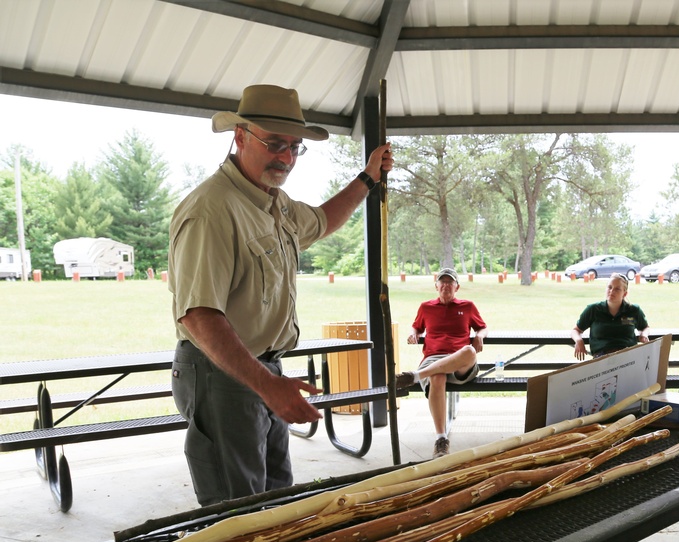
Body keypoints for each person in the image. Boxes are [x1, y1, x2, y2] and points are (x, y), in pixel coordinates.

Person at [168, 84, 393, 506]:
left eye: (294, 147)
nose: (286, 157)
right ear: (239, 137)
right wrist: (267, 386)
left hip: (262, 370)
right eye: (274, 143)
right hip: (222, 375)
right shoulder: (211, 210)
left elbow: (323, 221)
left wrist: (367, 178)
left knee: (274, 500)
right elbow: (198, 316)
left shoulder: (275, 203)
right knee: (238, 514)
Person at [394, 268, 488, 458]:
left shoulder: (467, 306)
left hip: (460, 361)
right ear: (436, 286)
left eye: (450, 282)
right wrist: (414, 334)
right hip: (433, 358)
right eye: (442, 282)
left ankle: (415, 376)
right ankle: (441, 439)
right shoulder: (426, 307)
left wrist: (479, 336)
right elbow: (417, 326)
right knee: (436, 378)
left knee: (469, 351)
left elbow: (483, 327)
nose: (446, 285)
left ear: (457, 287)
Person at [571, 273, 650, 360]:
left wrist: (644, 335)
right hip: (601, 358)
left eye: (617, 289)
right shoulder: (593, 309)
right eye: (609, 287)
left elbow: (645, 327)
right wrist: (579, 341)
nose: (612, 291)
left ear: (625, 293)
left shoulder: (633, 310)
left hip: (628, 358)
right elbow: (576, 330)